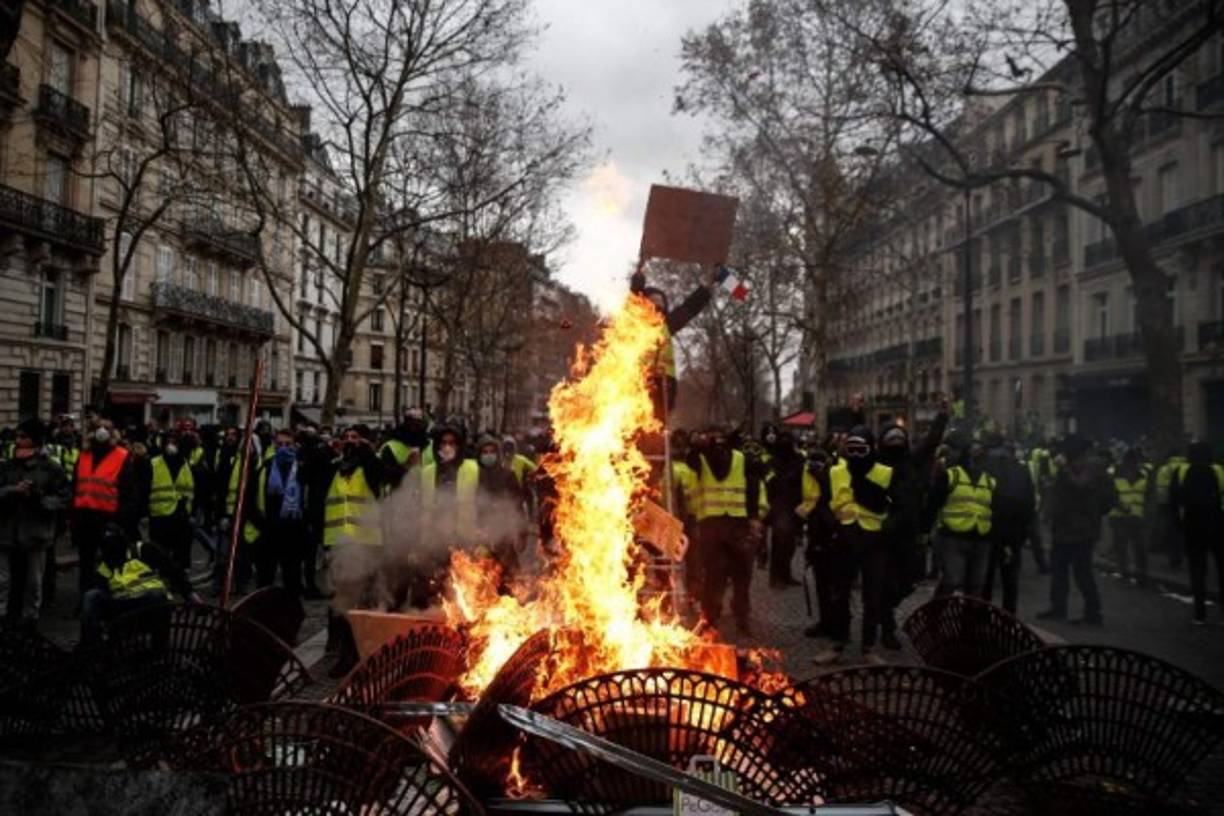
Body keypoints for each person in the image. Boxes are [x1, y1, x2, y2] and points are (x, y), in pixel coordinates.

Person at [818, 427, 896, 662]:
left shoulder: (886, 472)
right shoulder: (834, 472)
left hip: (875, 541)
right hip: (844, 538)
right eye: (850, 449)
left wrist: (887, 531)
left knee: (872, 595)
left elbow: (898, 506)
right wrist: (833, 526)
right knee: (839, 593)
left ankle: (869, 647)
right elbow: (822, 504)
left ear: (871, 449)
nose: (855, 454)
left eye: (861, 449)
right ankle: (837, 643)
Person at [688, 426, 766, 634]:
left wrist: (754, 518)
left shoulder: (742, 459)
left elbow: (752, 488)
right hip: (715, 526)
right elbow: (690, 459)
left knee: (741, 574)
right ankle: (710, 618)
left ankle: (739, 618)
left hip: (733, 525)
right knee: (715, 576)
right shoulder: (701, 457)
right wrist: (696, 446)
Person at [1038, 435, 1116, 626]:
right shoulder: (1075, 466)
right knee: (1059, 570)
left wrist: (1064, 469)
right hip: (1065, 528)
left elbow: (1080, 485)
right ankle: (1058, 608)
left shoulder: (1091, 466)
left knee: (1082, 573)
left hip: (1081, 530)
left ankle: (1093, 613)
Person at [80, 523, 196, 645]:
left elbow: (172, 570)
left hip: (148, 605)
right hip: (122, 609)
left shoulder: (144, 550)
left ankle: (158, 650)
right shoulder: (105, 567)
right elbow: (100, 593)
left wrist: (189, 594)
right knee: (91, 596)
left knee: (157, 595)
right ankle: (91, 647)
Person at [0, 420, 70, 623]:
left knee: (33, 582)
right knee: (2, 580)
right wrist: (11, 491)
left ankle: (30, 619)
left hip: (35, 533)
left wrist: (39, 498)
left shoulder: (51, 468)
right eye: (17, 437)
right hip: (6, 531)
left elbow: (64, 499)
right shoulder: (7, 466)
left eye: (24, 437)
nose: (18, 441)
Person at [72, 421, 139, 603]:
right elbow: (75, 487)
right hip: (85, 518)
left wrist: (120, 521)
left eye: (106, 428)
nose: (102, 432)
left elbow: (128, 492)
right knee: (86, 563)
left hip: (109, 519)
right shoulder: (84, 455)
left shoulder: (122, 456)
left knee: (111, 563)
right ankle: (85, 601)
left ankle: (111, 600)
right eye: (97, 428)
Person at [926, 430, 997, 598]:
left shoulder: (989, 480)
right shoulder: (951, 475)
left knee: (975, 587)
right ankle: (936, 615)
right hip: (953, 537)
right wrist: (925, 533)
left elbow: (994, 509)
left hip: (980, 538)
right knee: (952, 580)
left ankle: (967, 621)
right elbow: (932, 505)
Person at [245, 428, 307, 596]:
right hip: (268, 531)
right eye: (279, 444)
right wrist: (260, 523)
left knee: (292, 579)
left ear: (295, 445)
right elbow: (249, 498)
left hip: (293, 531)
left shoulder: (302, 469)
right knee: (265, 581)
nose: (284, 448)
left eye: (288, 444)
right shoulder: (265, 468)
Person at [980, 432, 1035, 615]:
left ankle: (980, 616)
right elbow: (1030, 502)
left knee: (985, 576)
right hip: (1013, 532)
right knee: (1009, 577)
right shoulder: (1022, 469)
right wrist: (1024, 531)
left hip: (989, 530)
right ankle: (1009, 617)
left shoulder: (983, 467)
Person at [1170, 442, 1224, 625]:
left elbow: (1174, 500)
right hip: (1218, 523)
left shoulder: (1182, 471)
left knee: (1197, 570)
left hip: (1193, 525)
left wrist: (1178, 524)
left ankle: (1199, 614)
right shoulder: (1219, 470)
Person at [147, 431, 195, 571]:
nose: (170, 446)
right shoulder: (154, 463)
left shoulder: (184, 464)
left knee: (179, 555)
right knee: (160, 554)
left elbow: (189, 489)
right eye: (168, 442)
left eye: (173, 442)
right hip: (159, 515)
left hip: (179, 516)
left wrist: (185, 509)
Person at [764, 429, 804, 588]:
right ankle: (775, 577)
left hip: (795, 505)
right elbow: (768, 481)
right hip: (778, 505)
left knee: (790, 545)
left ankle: (786, 575)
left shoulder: (799, 459)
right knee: (779, 544)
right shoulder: (772, 461)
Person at [1108, 448, 1149, 586]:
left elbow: (1148, 497)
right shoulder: (1114, 475)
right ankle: (1125, 573)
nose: (1135, 464)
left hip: (1138, 517)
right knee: (1122, 548)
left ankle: (1141, 574)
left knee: (1141, 548)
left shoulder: (1143, 475)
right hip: (1119, 516)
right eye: (1133, 461)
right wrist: (1119, 506)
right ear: (1126, 462)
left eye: (1137, 462)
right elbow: (1110, 495)